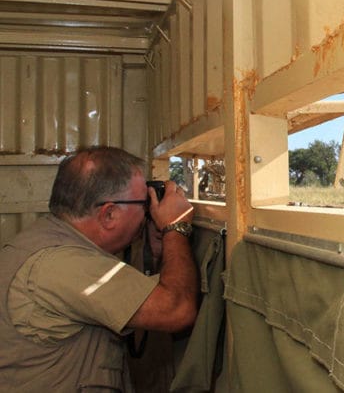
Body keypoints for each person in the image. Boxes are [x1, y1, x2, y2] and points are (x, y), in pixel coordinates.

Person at [0, 146, 198, 392]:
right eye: (142, 203)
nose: (148, 212)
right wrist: (176, 228)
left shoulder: (48, 241)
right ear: (109, 214)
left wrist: (159, 251)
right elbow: (176, 310)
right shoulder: (64, 264)